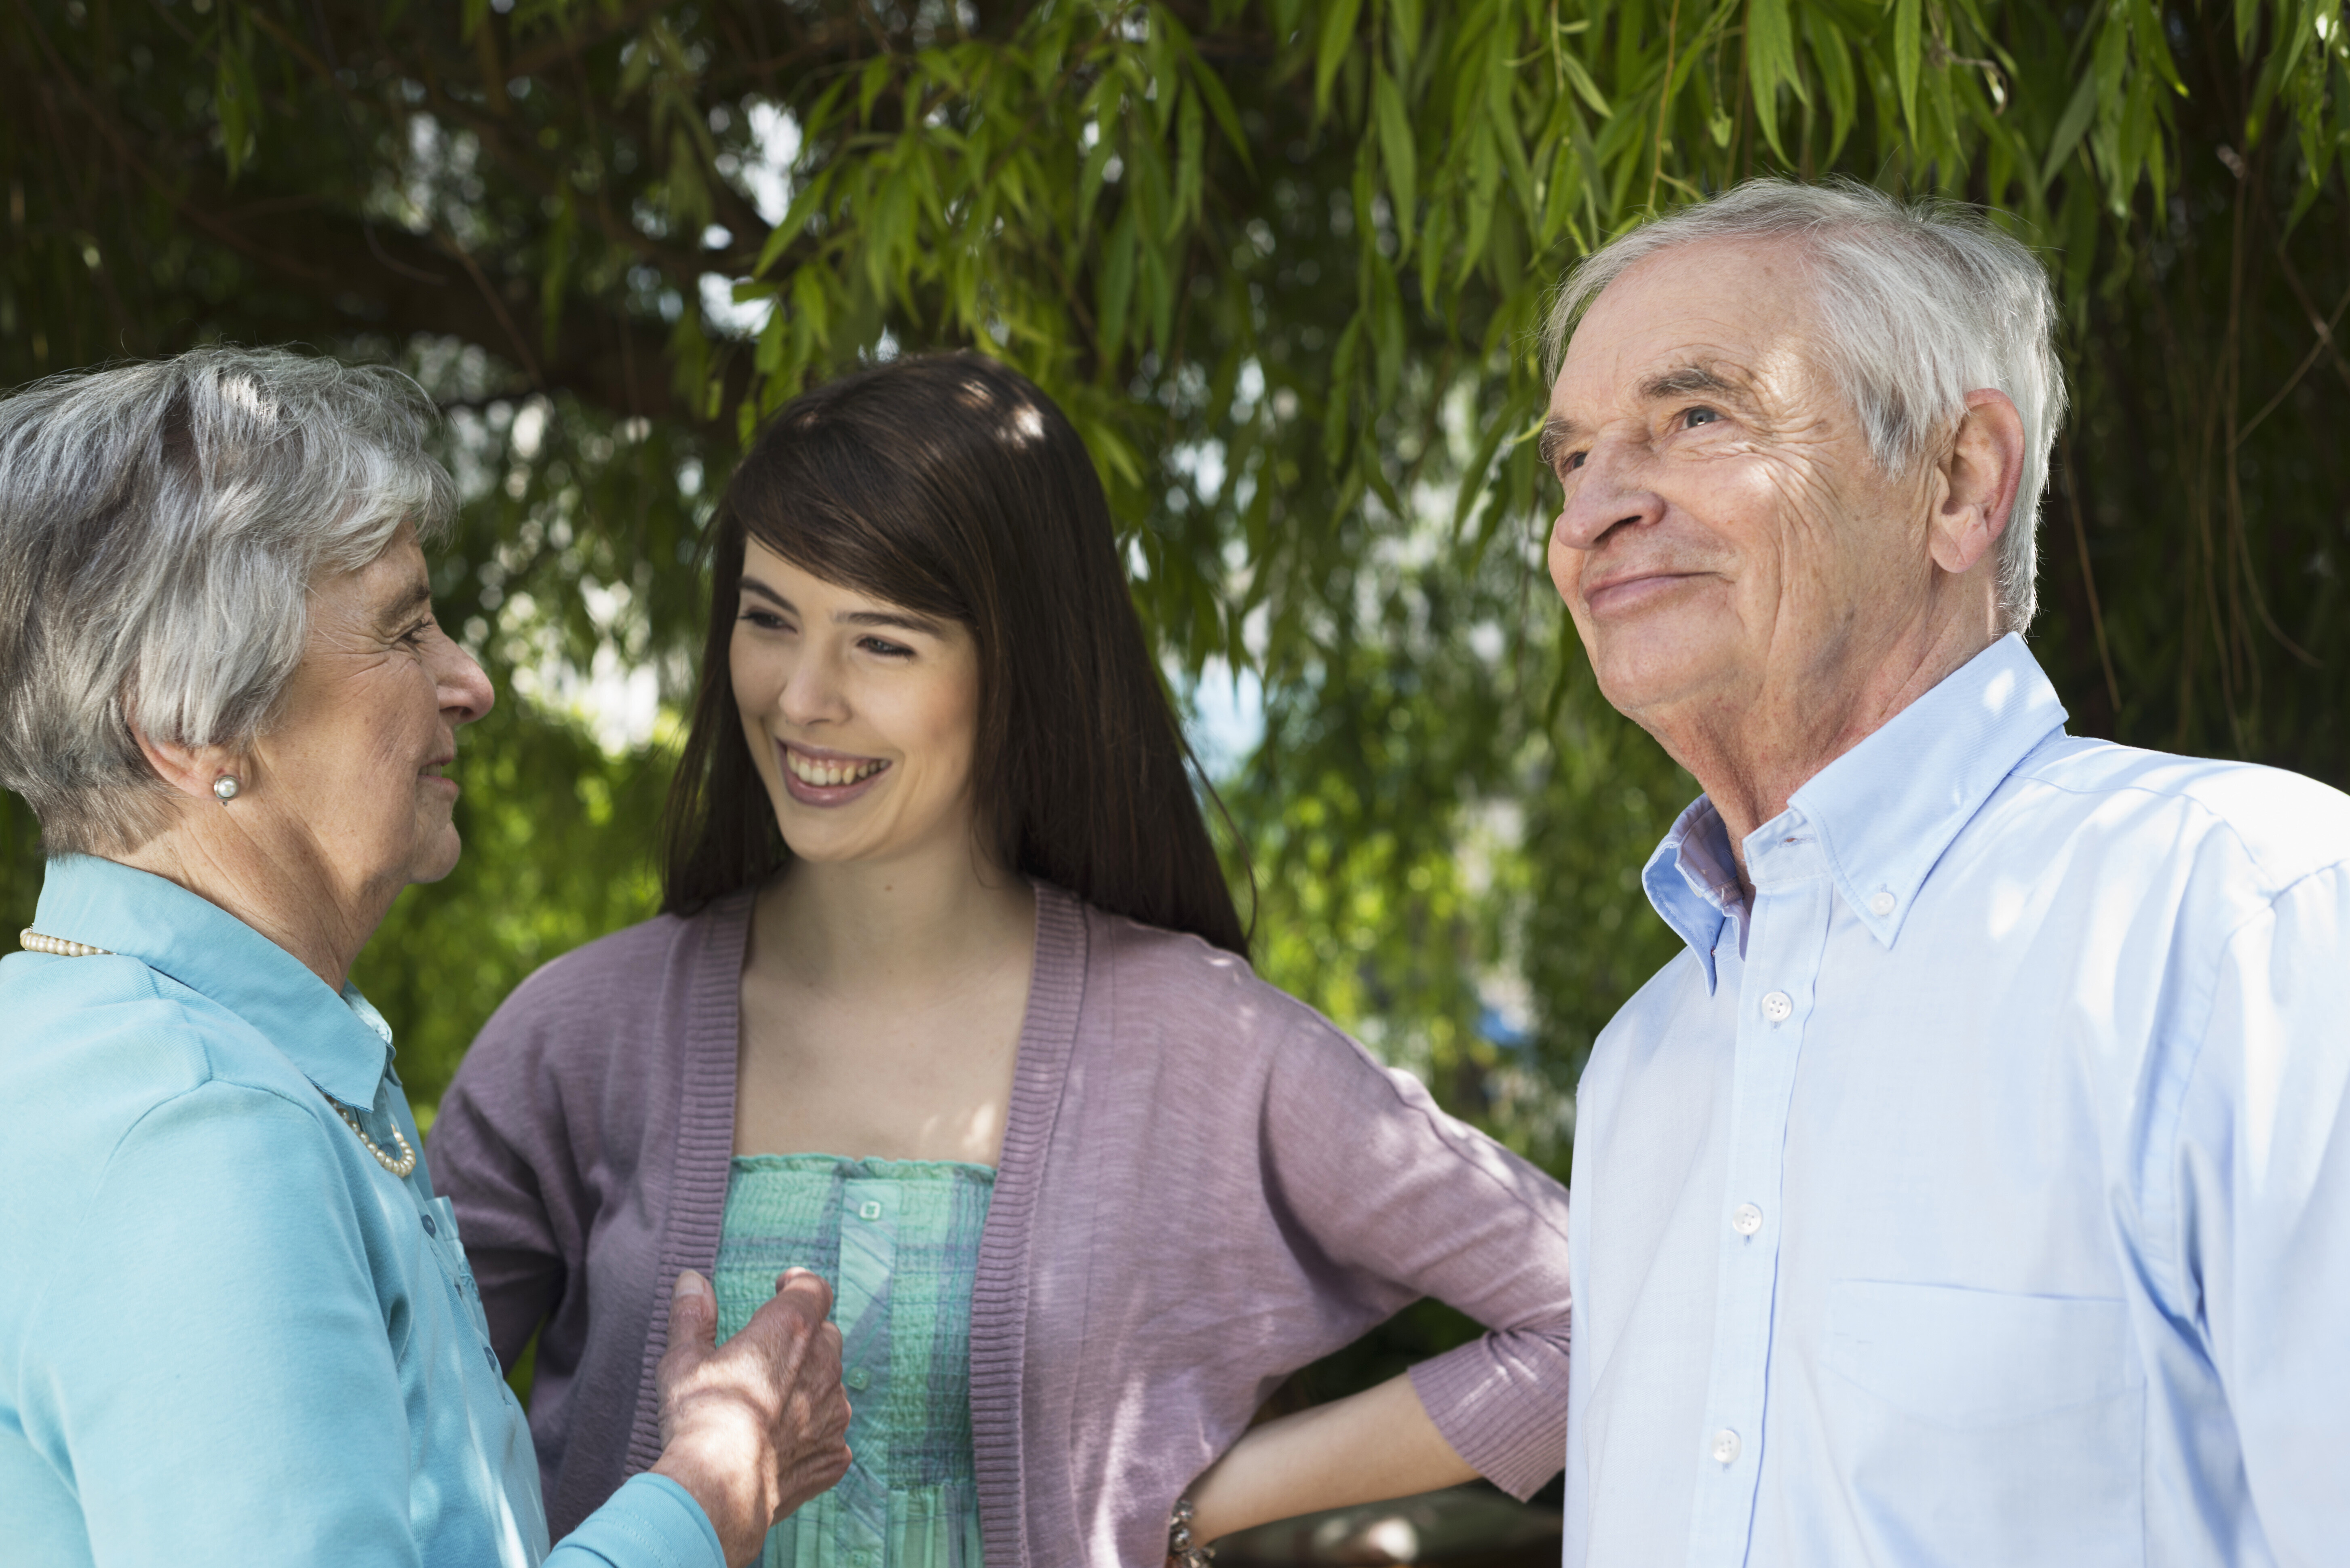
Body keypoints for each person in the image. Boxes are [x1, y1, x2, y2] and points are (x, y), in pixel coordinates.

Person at [430, 352, 1576, 1566]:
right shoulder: (584, 1034)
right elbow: (384, 1424)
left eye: (882, 643)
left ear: (1015, 667)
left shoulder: (1196, 1043)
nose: (801, 697)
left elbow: (1596, 1315)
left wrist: (1199, 1498)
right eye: (769, 621)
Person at [1540, 177, 2350, 1566]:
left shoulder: (2247, 917)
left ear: (1962, 482)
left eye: (1695, 418)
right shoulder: (1644, 1065)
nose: (1596, 511)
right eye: (1569, 460)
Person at [0, 347, 852, 1568]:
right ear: (189, 726)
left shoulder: (118, 1045)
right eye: (404, 630)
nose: (472, 680)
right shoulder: (201, 1130)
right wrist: (707, 1496)